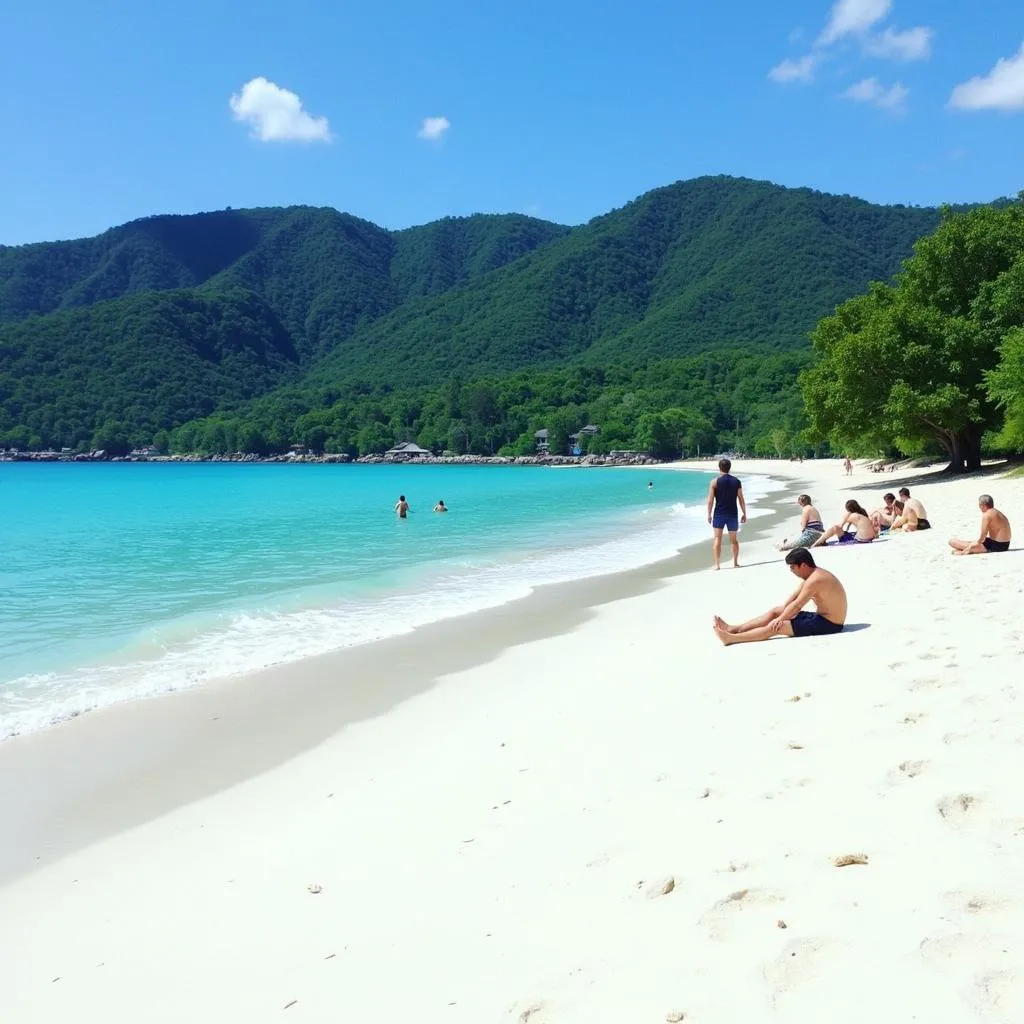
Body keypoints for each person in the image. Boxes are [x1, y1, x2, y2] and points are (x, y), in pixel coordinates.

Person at [712, 547, 847, 645]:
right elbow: (792, 600)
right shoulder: (811, 577)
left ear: (804, 565)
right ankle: (734, 629)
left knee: (777, 627)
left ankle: (731, 639)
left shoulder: (816, 580)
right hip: (821, 618)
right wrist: (781, 612)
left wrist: (780, 620)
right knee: (776, 611)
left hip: (830, 624)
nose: (791, 570)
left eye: (793, 567)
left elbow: (797, 606)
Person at [706, 458, 747, 570]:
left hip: (719, 514)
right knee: (733, 540)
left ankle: (717, 564)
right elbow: (741, 499)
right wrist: (744, 513)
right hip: (732, 513)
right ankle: (735, 563)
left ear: (719, 468)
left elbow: (710, 500)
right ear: (729, 468)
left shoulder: (714, 482)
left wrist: (709, 514)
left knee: (717, 539)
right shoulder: (736, 481)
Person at [811, 499, 877, 546]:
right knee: (848, 532)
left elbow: (840, 526)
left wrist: (847, 514)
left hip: (862, 540)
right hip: (870, 538)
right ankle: (820, 541)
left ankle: (817, 543)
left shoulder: (852, 515)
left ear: (848, 509)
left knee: (834, 528)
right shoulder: (862, 512)